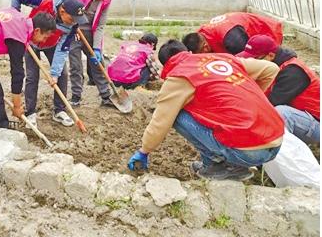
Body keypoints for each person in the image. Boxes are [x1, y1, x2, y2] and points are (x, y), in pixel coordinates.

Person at [127, 39, 284, 181]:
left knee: (176, 114)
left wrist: (144, 151)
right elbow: (271, 69)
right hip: (276, 140)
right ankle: (221, 163)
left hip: (248, 152)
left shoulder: (178, 77)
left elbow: (160, 121)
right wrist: (249, 97)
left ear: (166, 64)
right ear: (189, 52)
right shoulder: (221, 59)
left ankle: (219, 165)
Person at [12, 0, 88, 127]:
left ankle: (59, 111)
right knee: (32, 76)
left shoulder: (73, 25)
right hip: (30, 42)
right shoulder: (44, 1)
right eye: (72, 19)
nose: (74, 22)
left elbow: (62, 48)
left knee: (62, 74)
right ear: (62, 11)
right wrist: (16, 19)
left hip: (52, 45)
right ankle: (30, 113)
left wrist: (54, 74)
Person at [236, 35, 319, 145]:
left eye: (255, 59)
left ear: (271, 55)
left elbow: (270, 104)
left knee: (281, 113)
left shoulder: (293, 72)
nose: (253, 62)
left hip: (316, 123)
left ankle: (285, 153)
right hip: (303, 119)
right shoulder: (277, 67)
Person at [55, 0, 118, 107]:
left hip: (90, 33)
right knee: (75, 65)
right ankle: (76, 96)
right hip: (74, 31)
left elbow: (100, 25)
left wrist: (97, 48)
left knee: (97, 63)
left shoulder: (105, 1)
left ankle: (106, 95)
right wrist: (67, 16)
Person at [182, 12, 282, 55]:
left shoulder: (233, 40)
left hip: (268, 31)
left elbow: (249, 60)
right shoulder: (201, 35)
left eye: (200, 54)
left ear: (205, 48)